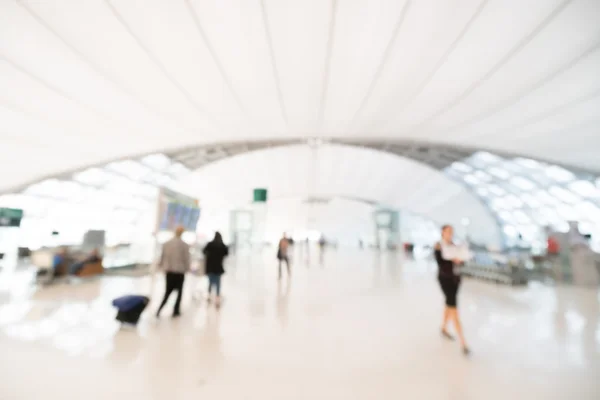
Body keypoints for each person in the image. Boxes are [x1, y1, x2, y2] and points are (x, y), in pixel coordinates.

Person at [434, 225, 470, 355]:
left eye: (451, 232)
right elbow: (441, 263)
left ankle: (443, 328)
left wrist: (459, 260)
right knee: (453, 308)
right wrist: (452, 260)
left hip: (455, 280)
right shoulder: (439, 246)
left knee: (449, 305)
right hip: (446, 280)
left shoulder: (455, 246)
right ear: (443, 232)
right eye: (448, 231)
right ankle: (463, 341)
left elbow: (462, 259)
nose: (450, 234)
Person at [156, 226, 190, 318]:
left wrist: (161, 267)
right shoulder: (184, 245)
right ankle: (176, 310)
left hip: (169, 271)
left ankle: (159, 310)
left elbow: (162, 257)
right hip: (179, 271)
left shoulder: (167, 244)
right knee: (179, 292)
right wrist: (187, 269)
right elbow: (186, 259)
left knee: (167, 292)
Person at [203, 232, 229, 308]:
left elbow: (204, 251)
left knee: (210, 282)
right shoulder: (222, 245)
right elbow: (226, 253)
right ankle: (217, 297)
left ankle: (209, 295)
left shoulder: (210, 244)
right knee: (218, 283)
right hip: (218, 267)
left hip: (210, 266)